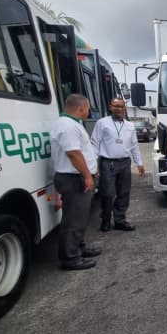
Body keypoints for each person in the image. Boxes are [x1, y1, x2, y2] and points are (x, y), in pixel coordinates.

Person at [50, 94, 101, 271]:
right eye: (87, 108)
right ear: (81, 108)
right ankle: (71, 258)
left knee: (79, 218)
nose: (88, 111)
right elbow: (73, 153)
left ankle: (79, 247)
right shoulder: (68, 126)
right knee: (73, 220)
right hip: (74, 179)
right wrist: (87, 175)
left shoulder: (71, 124)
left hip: (76, 177)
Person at [91, 98, 145, 232]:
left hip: (125, 163)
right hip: (107, 163)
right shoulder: (102, 123)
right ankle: (105, 219)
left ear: (125, 108)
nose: (119, 109)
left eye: (121, 106)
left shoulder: (130, 125)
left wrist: (140, 163)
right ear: (110, 107)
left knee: (123, 193)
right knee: (108, 193)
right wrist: (93, 166)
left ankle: (120, 220)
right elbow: (94, 144)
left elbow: (134, 145)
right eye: (116, 106)